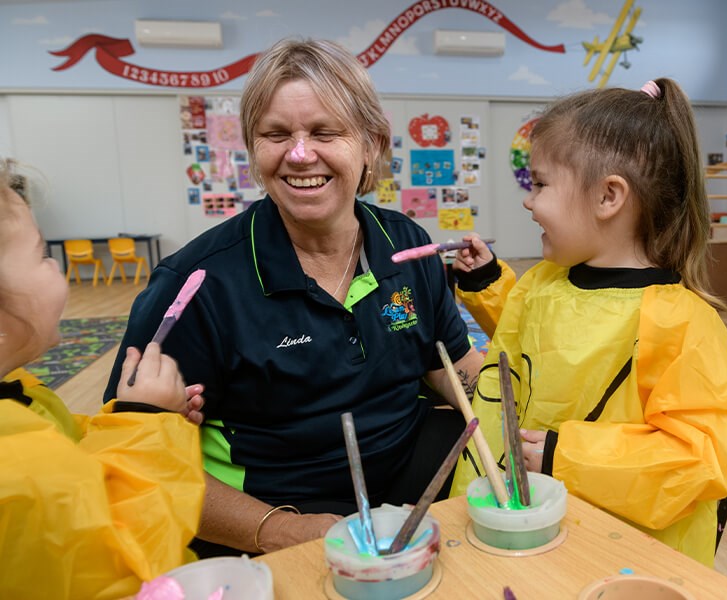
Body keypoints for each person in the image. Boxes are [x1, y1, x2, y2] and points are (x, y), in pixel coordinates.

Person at [103, 38, 484, 557]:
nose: (300, 155)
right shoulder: (193, 285)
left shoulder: (407, 244)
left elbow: (452, 368)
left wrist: (530, 423)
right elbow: (135, 465)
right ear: (252, 147)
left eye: (325, 132)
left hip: (411, 487)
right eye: (276, 135)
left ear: (371, 144)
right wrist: (282, 530)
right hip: (272, 514)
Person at [449, 78, 727, 566]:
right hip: (524, 522)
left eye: (540, 184)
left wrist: (565, 456)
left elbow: (703, 455)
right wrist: (488, 282)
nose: (529, 201)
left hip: (618, 555)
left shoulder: (680, 323)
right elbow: (531, 342)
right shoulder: (546, 281)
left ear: (608, 197)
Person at [0, 159, 207, 599]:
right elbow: (131, 565)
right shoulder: (16, 470)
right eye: (41, 255)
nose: (55, 266)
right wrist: (146, 424)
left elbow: (70, 451)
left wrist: (132, 416)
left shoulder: (19, 397)